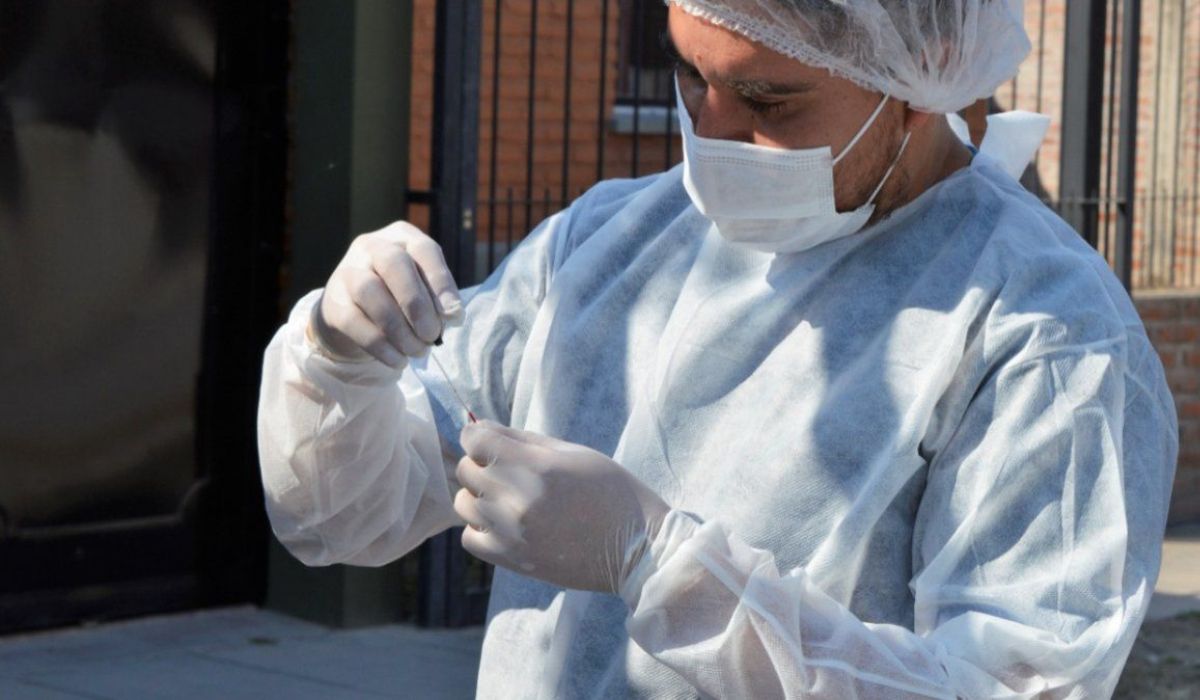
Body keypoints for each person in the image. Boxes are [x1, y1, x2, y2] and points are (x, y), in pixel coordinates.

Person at [257, 1, 1178, 697]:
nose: (712, 127)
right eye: (690, 74)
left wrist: (662, 567)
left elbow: (1009, 686)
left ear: (923, 74)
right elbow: (347, 519)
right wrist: (340, 363)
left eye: (769, 98)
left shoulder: (1046, 332)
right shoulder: (610, 243)